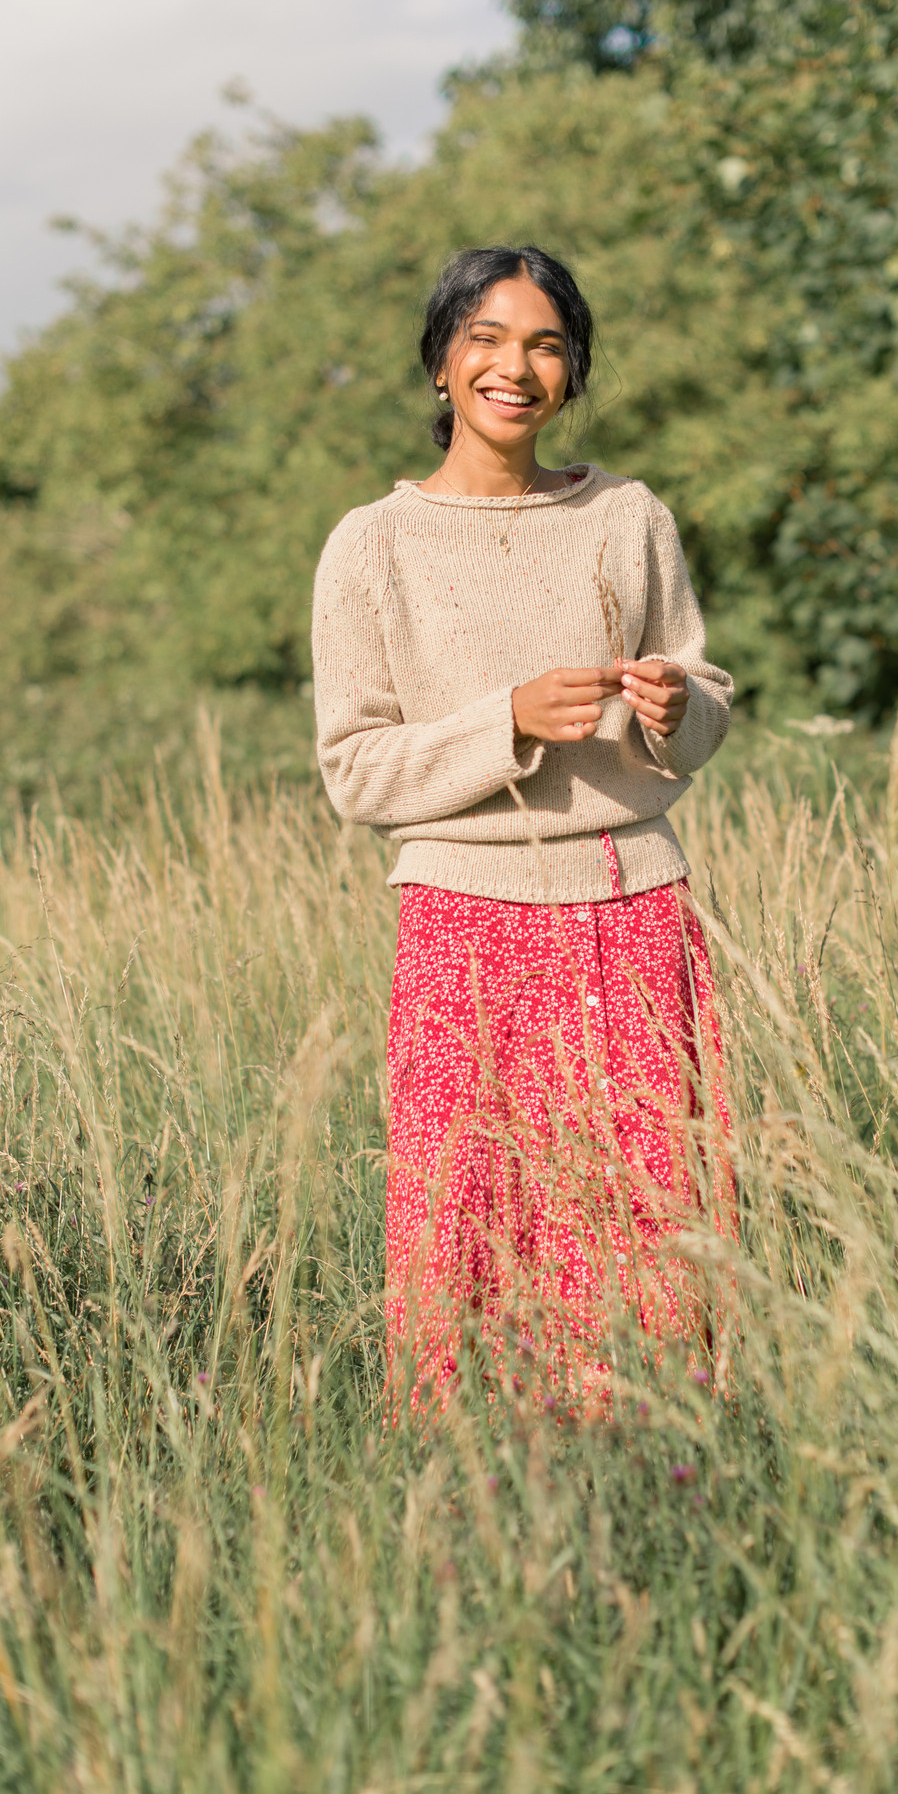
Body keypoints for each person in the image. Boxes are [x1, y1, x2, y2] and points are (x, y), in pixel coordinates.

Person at [312, 244, 734, 1411]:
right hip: (462, 923)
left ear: (573, 371)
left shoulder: (626, 516)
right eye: (486, 339)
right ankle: (472, 1497)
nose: (516, 366)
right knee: (467, 1223)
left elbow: (706, 702)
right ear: (441, 364)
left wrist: (671, 708)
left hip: (634, 905)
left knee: (649, 1218)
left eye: (546, 344)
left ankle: (656, 1469)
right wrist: (505, 722)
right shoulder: (372, 544)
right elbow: (355, 769)